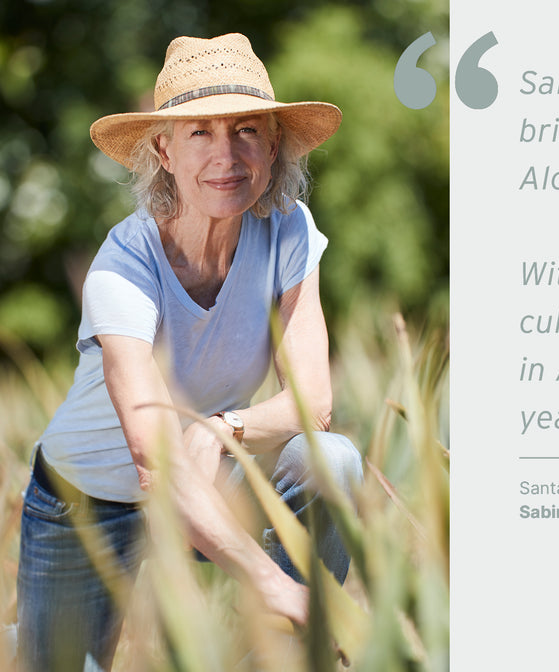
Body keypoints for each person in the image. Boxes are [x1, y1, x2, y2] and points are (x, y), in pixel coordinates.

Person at [16, 33, 361, 671]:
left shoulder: (288, 230)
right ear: (163, 151)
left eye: (247, 130)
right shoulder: (122, 267)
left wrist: (227, 427)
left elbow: (313, 403)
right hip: (86, 503)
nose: (226, 157)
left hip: (207, 473)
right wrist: (275, 583)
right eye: (200, 132)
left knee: (332, 463)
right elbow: (157, 460)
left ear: (274, 145)